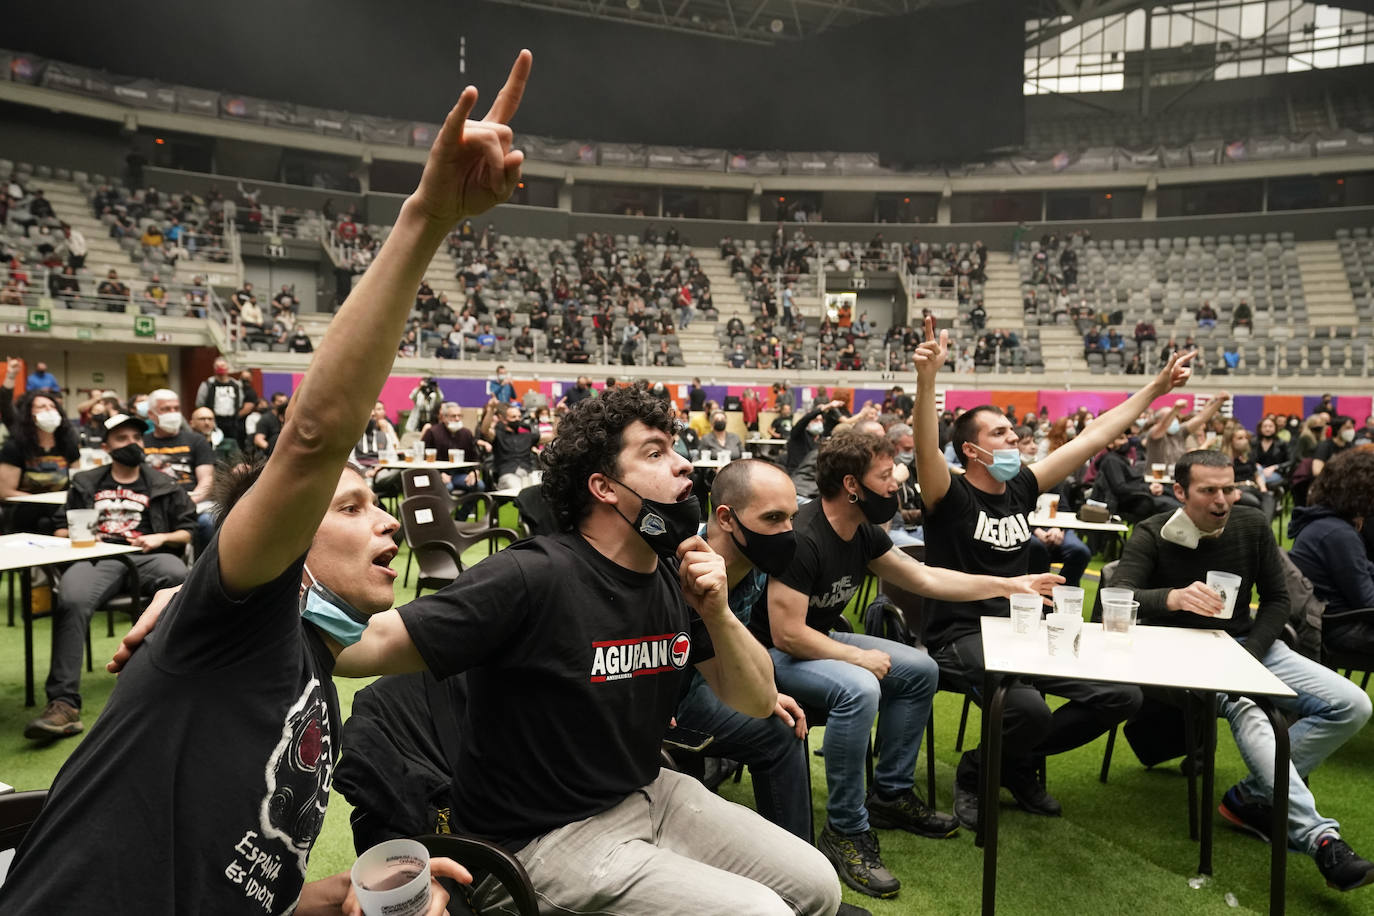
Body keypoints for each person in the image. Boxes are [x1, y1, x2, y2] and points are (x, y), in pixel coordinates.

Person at [0, 52, 532, 912]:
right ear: (285, 545)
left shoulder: (316, 670)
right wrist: (428, 218)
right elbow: (314, 440)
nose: (389, 527)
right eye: (353, 507)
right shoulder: (244, 624)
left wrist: (333, 898)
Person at [331, 384, 843, 916]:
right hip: (541, 840)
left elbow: (758, 701)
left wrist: (716, 611)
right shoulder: (536, 574)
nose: (684, 464)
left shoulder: (675, 577)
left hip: (648, 793)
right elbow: (371, 643)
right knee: (765, 912)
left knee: (818, 887)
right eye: (655, 452)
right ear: (604, 487)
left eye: (675, 446)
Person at [912, 318, 1195, 830]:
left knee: (1121, 696)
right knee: (1030, 711)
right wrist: (928, 379)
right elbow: (925, 449)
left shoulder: (1022, 485)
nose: (1014, 436)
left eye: (1012, 429)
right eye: (999, 432)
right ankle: (979, 772)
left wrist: (1156, 386)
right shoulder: (948, 495)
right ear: (972, 452)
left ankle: (1012, 762)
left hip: (1023, 628)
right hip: (959, 635)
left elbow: (1096, 435)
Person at [759, 430, 1059, 899]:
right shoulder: (806, 535)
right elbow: (787, 634)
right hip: (769, 655)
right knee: (859, 688)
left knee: (921, 670)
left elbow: (924, 578)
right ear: (851, 484)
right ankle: (845, 830)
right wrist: (857, 656)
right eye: (885, 477)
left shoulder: (861, 530)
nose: (896, 486)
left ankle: (891, 795)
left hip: (816, 638)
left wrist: (1008, 585)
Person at [1111, 450, 1374, 892]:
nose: (1222, 500)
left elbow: (1278, 601)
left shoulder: (1251, 524)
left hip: (1248, 646)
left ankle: (1253, 796)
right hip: (1176, 655)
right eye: (1208, 491)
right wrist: (1172, 598)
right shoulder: (1153, 532)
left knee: (1352, 704)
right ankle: (1321, 839)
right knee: (1249, 707)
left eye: (1229, 488)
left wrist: (1249, 651)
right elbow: (1113, 597)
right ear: (1180, 492)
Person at [22, 413, 195, 740]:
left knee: (178, 579)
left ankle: (170, 688)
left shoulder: (162, 484)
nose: (132, 444)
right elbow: (59, 525)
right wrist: (77, 535)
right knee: (71, 598)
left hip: (148, 556)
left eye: (136, 438)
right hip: (95, 556)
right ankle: (63, 704)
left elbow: (187, 532)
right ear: (105, 447)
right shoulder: (87, 482)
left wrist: (161, 538)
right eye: (122, 439)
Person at [673, 460, 812, 841]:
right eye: (773, 518)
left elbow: (726, 652)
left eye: (791, 518)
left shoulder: (755, 563)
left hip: (700, 686)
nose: (787, 532)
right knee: (778, 734)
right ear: (727, 518)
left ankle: (801, 872)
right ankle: (796, 876)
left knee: (782, 724)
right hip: (662, 705)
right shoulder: (677, 563)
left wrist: (765, 695)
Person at [1290, 448, 1374, 655]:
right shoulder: (1338, 533)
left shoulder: (1322, 524)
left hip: (1332, 622)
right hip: (1339, 629)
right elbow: (1367, 600)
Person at [0, 383, 80, 534]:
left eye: (52, 406)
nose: (49, 410)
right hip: (25, 511)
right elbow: (5, 492)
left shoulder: (68, 444)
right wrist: (43, 501)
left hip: (60, 510)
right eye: (42, 407)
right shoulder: (15, 447)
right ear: (28, 414)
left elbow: (78, 482)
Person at [1145, 390, 1228, 473]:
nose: (1174, 420)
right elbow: (1163, 426)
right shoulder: (1153, 434)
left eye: (1175, 417)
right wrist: (1175, 409)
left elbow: (1200, 418)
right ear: (1157, 422)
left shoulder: (1180, 431)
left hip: (1176, 478)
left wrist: (1220, 401)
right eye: (1170, 417)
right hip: (1156, 480)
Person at [482, 401, 550, 490]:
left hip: (527, 473)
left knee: (542, 488)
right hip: (508, 475)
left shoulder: (527, 436)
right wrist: (491, 409)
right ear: (504, 420)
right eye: (513, 417)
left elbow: (553, 435)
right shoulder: (498, 435)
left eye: (519, 416)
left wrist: (558, 414)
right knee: (519, 488)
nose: (517, 419)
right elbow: (485, 431)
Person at [421, 401, 484, 494]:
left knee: (479, 486)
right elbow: (424, 458)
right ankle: (444, 509)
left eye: (459, 416)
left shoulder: (466, 433)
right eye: (453, 416)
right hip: (438, 475)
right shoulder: (432, 432)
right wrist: (439, 474)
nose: (457, 419)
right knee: (447, 487)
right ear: (444, 417)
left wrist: (474, 472)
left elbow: (475, 457)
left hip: (460, 475)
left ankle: (465, 509)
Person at [195, 358, 253, 447]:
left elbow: (240, 402)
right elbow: (200, 403)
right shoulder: (208, 384)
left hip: (232, 422)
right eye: (218, 366)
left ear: (228, 368)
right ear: (214, 368)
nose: (220, 368)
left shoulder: (236, 385)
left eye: (223, 366)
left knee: (231, 445)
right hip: (213, 421)